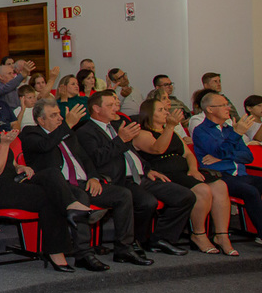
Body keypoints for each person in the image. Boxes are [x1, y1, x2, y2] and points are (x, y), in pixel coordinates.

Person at [20, 98, 148, 269]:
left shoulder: (68, 133)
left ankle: (124, 248)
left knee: (123, 195)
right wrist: (67, 125)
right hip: (61, 186)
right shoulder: (30, 133)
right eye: (53, 115)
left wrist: (93, 177)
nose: (59, 118)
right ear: (41, 120)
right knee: (81, 198)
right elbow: (45, 145)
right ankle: (83, 254)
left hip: (83, 182)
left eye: (59, 114)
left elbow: (85, 159)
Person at [0, 99, 80, 272]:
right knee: (49, 197)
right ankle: (57, 250)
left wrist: (20, 166)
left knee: (51, 173)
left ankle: (70, 206)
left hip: (14, 184)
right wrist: (4, 144)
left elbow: (9, 163)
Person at [74, 90, 196, 255]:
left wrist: (148, 169)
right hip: (119, 179)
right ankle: (135, 241)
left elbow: (132, 154)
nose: (114, 108)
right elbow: (96, 159)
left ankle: (161, 238)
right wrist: (120, 140)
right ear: (96, 108)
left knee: (185, 196)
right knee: (147, 202)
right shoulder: (85, 131)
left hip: (141, 175)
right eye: (109, 105)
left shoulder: (117, 126)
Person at [134, 97, 235, 256]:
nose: (166, 112)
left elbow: (187, 154)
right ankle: (198, 234)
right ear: (149, 114)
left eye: (165, 109)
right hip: (164, 173)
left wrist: (193, 169)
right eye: (161, 110)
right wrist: (170, 127)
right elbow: (158, 149)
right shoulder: (142, 133)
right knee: (202, 190)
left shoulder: (171, 131)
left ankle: (222, 235)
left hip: (184, 171)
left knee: (220, 186)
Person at [191, 93, 262, 252]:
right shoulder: (201, 131)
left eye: (227, 104)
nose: (228, 108)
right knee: (250, 192)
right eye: (223, 105)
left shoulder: (231, 129)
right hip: (220, 177)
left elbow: (248, 156)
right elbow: (217, 151)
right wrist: (236, 136)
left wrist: (221, 156)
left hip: (241, 174)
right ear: (210, 109)